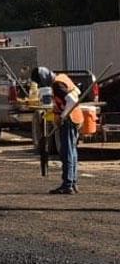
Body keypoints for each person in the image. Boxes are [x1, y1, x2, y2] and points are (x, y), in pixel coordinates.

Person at [32, 66, 84, 194]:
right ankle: (73, 182)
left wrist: (62, 116)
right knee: (72, 152)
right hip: (75, 118)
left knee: (67, 152)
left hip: (69, 120)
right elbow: (76, 92)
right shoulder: (63, 78)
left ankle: (67, 184)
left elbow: (72, 101)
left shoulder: (57, 84)